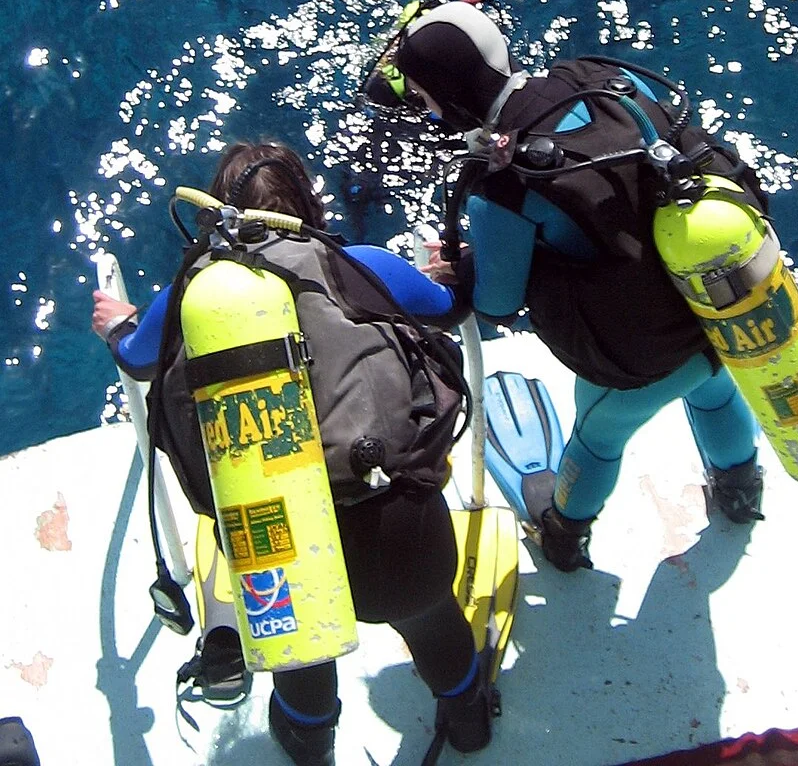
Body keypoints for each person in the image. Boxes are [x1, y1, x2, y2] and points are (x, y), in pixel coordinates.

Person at [92, 141, 495, 766]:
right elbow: (448, 309)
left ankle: (309, 741)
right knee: (432, 621)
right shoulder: (357, 264)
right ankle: (468, 721)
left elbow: (138, 358)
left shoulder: (191, 294)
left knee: (300, 657)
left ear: (215, 214)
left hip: (270, 525)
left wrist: (119, 322)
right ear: (305, 203)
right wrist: (448, 272)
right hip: (389, 510)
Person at [364, 0, 768, 574]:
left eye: (427, 100)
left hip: (642, 354)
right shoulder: (593, 79)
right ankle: (740, 488)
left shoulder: (502, 187)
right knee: (717, 394)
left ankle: (564, 534)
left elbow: (499, 303)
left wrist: (471, 265)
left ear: (451, 101)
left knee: (598, 437)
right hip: (714, 302)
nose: (425, 111)